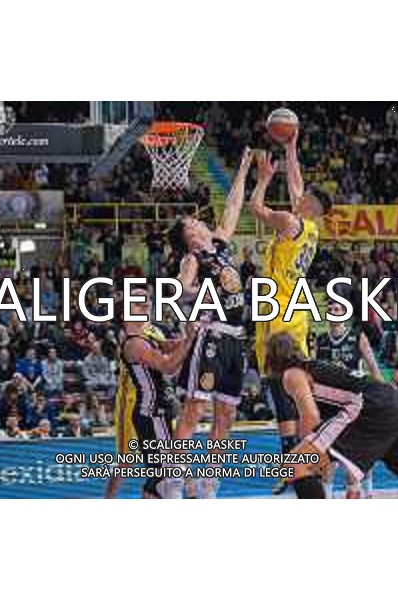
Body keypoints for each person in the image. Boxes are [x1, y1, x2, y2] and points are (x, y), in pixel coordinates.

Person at [265, 332, 398, 499]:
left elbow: (310, 417)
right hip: (396, 404)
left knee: (295, 465)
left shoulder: (293, 373)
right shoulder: (316, 366)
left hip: (371, 406)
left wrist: (310, 454)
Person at [167, 146, 253, 499]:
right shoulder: (192, 258)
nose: (199, 220)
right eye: (192, 221)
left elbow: (233, 207)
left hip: (235, 339)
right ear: (189, 234)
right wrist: (201, 291)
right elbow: (180, 289)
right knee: (194, 410)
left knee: (227, 415)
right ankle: (175, 482)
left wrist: (243, 168)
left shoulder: (221, 246)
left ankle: (208, 483)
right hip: (211, 337)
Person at [249, 141, 332, 495]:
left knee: (282, 392)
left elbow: (255, 208)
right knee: (296, 393)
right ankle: (309, 461)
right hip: (295, 314)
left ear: (308, 204)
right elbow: (297, 183)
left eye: (304, 195)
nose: (298, 192)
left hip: (279, 315)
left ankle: (296, 467)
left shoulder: (288, 220)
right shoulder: (311, 228)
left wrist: (264, 179)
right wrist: (292, 146)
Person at [104, 289, 197, 499]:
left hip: (157, 401)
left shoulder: (152, 330)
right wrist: (189, 340)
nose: (146, 305)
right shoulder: (132, 339)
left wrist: (192, 338)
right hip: (134, 400)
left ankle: (190, 492)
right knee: (129, 460)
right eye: (139, 302)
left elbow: (168, 346)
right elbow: (167, 365)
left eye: (147, 301)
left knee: (167, 462)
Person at [314, 301, 384, 498]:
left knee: (357, 455)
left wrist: (382, 394)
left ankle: (368, 493)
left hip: (353, 403)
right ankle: (327, 497)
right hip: (329, 405)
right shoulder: (320, 340)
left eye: (337, 309)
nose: (333, 312)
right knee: (328, 456)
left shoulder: (357, 337)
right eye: (330, 310)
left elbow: (374, 368)